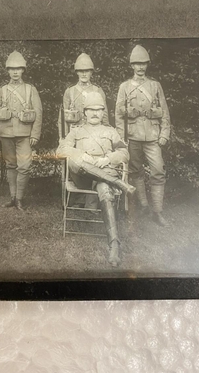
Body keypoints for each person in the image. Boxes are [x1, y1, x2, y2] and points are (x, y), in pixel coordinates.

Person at [57, 92, 135, 267]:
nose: (94, 113)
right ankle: (119, 183)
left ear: (103, 113)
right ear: (84, 112)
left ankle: (114, 245)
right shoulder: (76, 131)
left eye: (98, 110)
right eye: (91, 110)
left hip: (102, 175)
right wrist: (82, 155)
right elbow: (61, 150)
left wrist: (107, 159)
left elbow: (124, 153)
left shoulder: (111, 132)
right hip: (82, 177)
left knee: (106, 192)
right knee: (77, 162)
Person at [115, 45, 171, 226]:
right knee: (135, 171)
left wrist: (164, 133)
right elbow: (118, 114)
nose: (140, 67)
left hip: (153, 137)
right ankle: (144, 205)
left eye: (143, 64)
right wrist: (121, 138)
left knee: (158, 170)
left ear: (147, 65)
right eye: (137, 64)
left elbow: (164, 111)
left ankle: (158, 212)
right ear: (132, 66)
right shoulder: (124, 87)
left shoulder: (155, 86)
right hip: (132, 137)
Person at [0, 51, 42, 210]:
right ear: (8, 70)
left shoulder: (31, 90)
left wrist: (35, 134)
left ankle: (19, 198)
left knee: (24, 166)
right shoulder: (2, 91)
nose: (15, 72)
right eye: (12, 69)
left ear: (23, 70)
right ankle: (12, 198)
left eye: (18, 68)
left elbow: (38, 113)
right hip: (6, 133)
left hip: (25, 135)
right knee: (10, 165)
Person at [58, 53, 109, 139]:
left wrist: (106, 136)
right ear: (77, 72)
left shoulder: (98, 91)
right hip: (75, 135)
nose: (84, 74)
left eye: (87, 71)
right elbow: (63, 118)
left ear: (91, 72)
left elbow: (104, 116)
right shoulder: (70, 91)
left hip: (95, 135)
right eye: (81, 71)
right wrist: (63, 137)